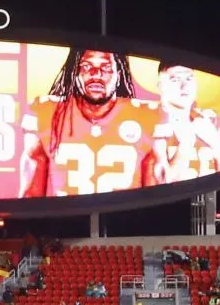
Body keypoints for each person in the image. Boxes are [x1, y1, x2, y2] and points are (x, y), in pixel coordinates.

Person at [21, 49, 163, 198]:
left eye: (106, 67)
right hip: (66, 219)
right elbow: (31, 195)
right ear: (74, 73)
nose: (96, 73)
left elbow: (156, 199)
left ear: (119, 75)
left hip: (125, 220)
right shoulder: (46, 112)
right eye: (87, 66)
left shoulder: (149, 116)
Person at [148, 62, 220, 183]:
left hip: (208, 201)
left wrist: (217, 143)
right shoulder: (150, 120)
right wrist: (186, 144)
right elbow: (160, 185)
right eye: (175, 80)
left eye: (189, 79)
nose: (184, 86)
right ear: (161, 85)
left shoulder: (209, 120)